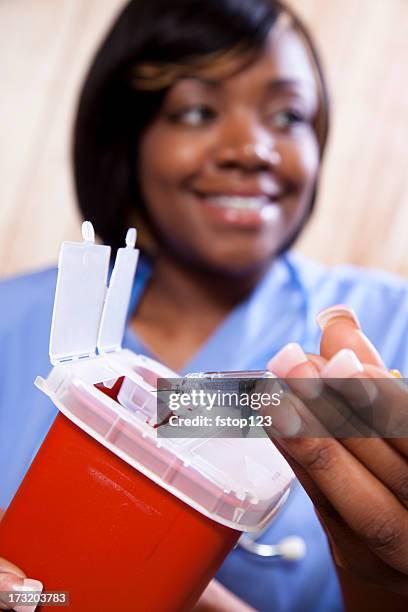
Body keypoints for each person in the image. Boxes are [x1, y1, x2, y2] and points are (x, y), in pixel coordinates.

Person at [0, 0, 407, 610]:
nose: (251, 149)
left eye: (289, 115)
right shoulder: (14, 322)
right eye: (195, 111)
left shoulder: (389, 327)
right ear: (126, 138)